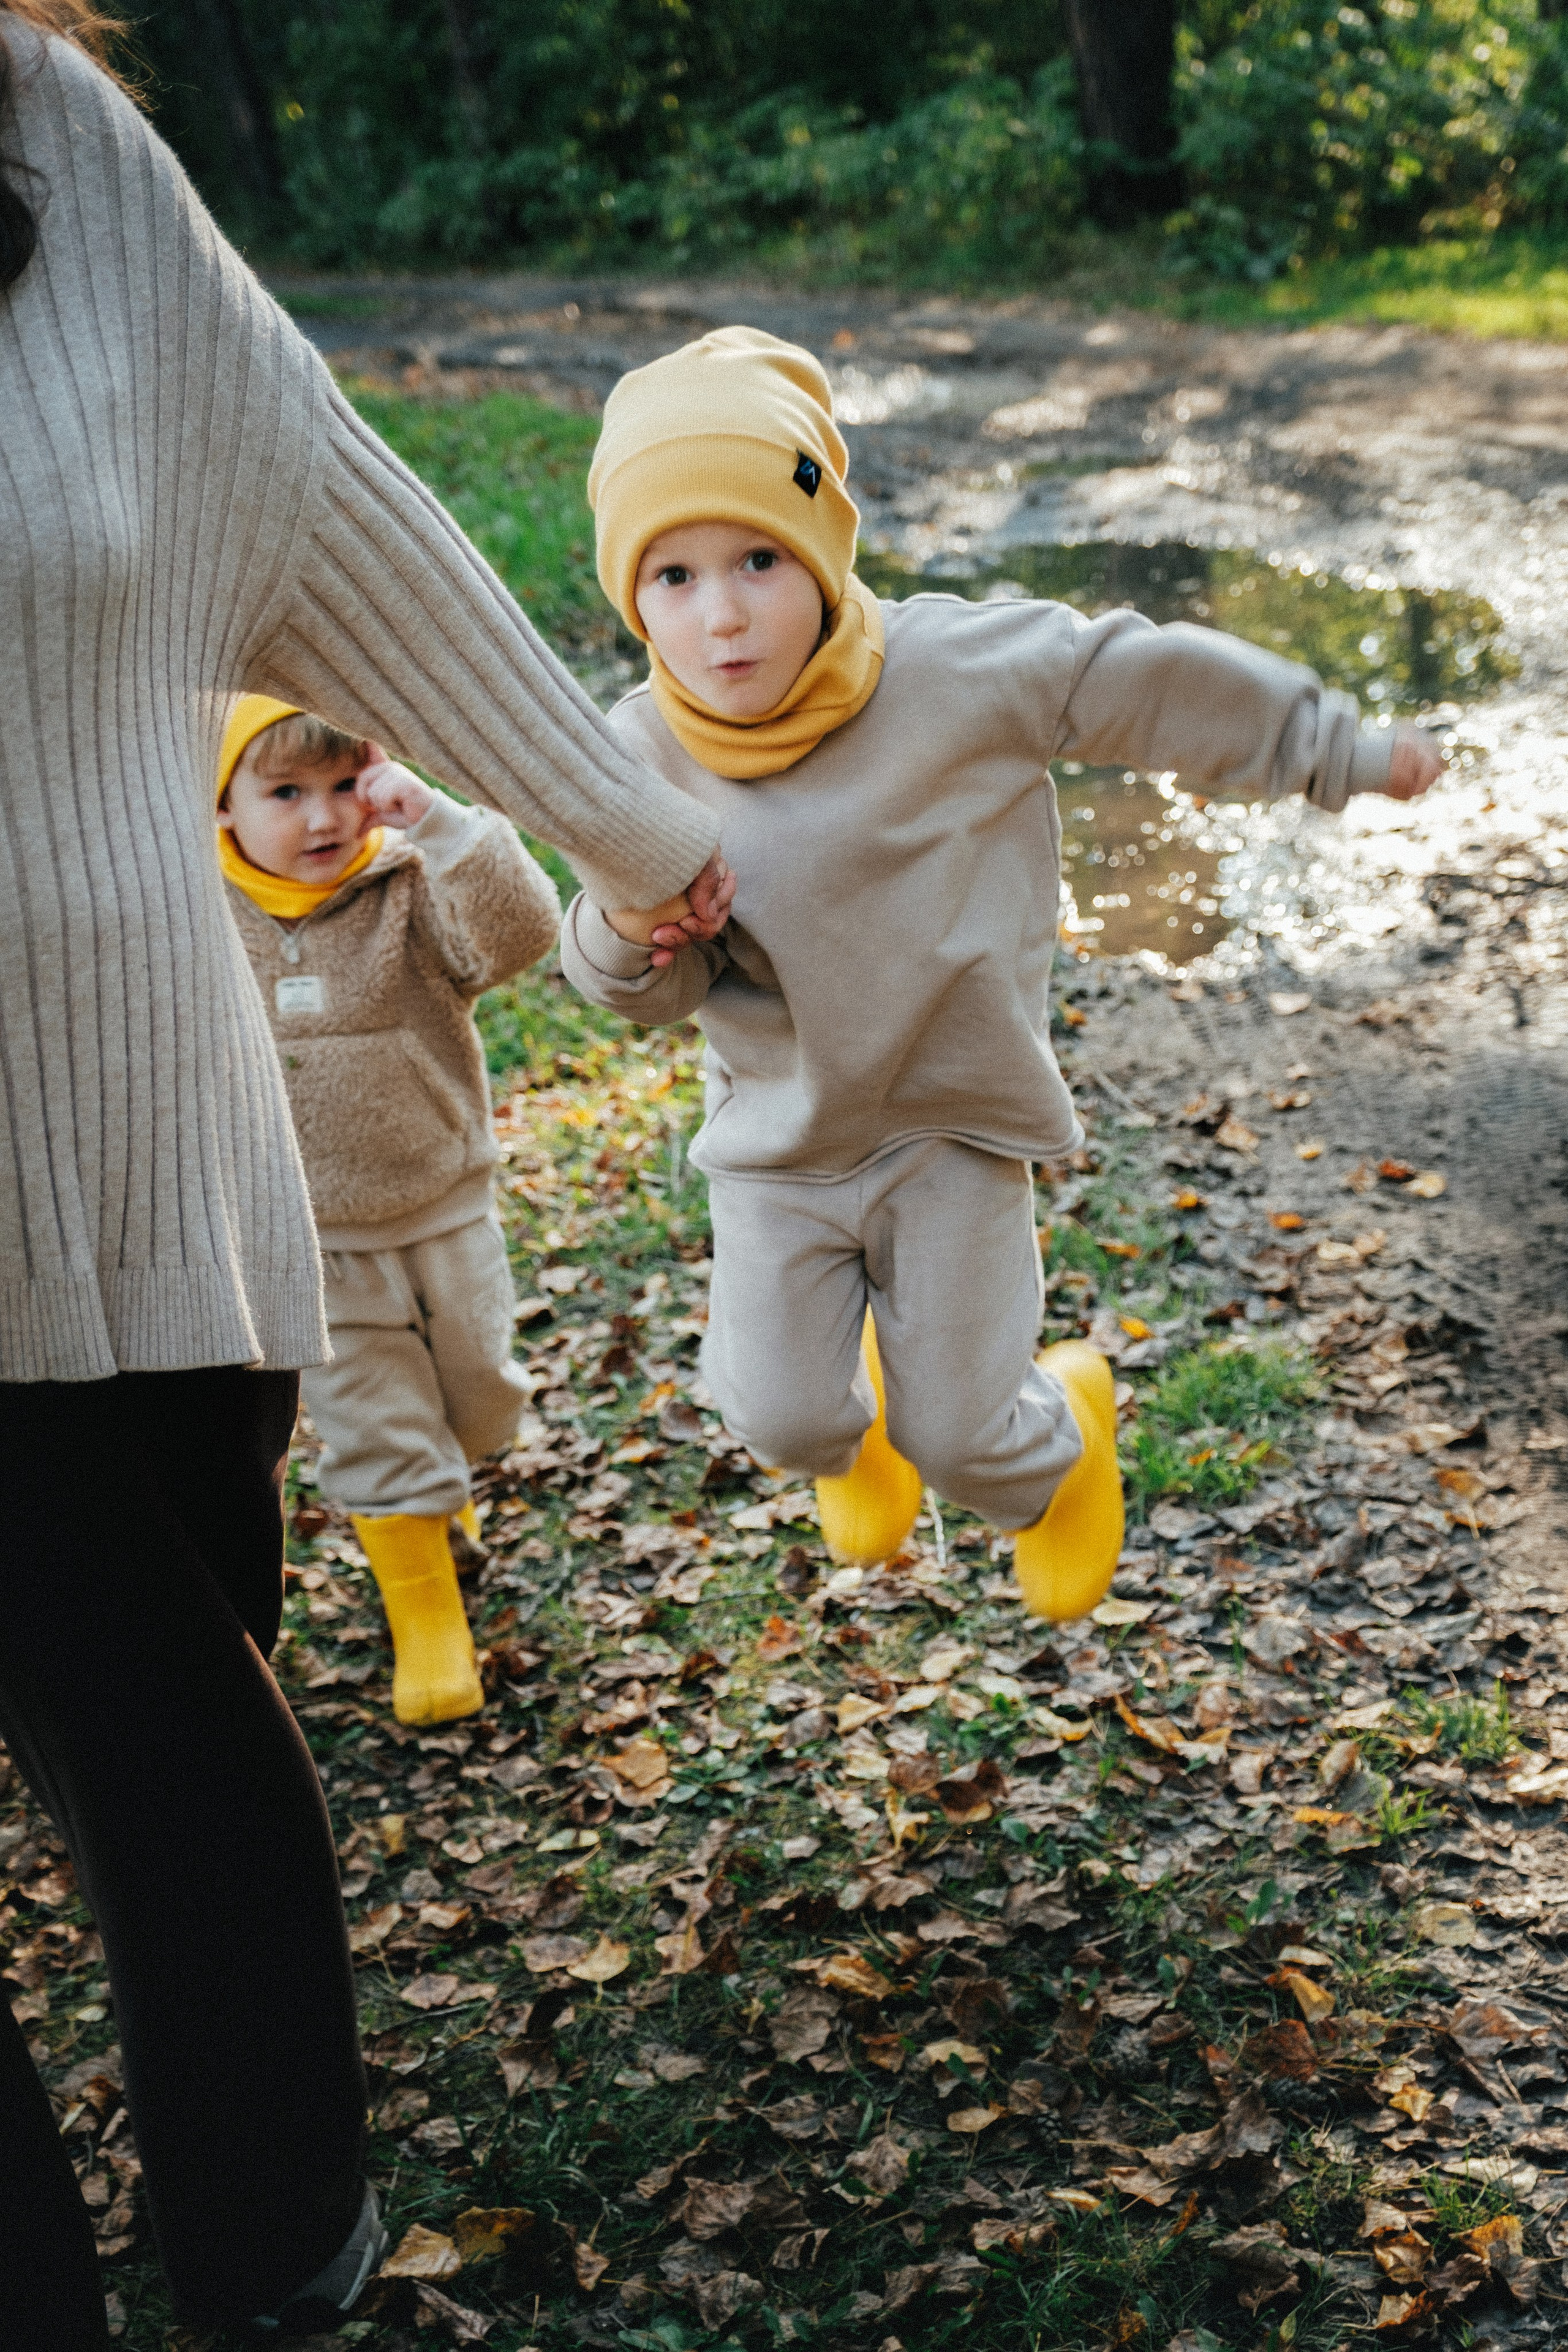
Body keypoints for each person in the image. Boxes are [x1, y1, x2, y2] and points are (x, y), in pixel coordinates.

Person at [0, 7, 729, 2343]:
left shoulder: (53, 145)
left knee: (176, 1761)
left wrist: (654, 844)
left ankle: (275, 2292)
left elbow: (338, 522)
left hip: (115, 1189)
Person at [560, 326, 1445, 1622]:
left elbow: (1138, 682)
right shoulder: (628, 755)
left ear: (821, 550)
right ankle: (850, 1440)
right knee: (780, 1414)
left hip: (950, 1126)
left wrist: (1331, 748)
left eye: (759, 558)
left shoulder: (953, 671)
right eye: (675, 575)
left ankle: (1063, 1444)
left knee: (966, 1437)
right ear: (629, 595)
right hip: (778, 1145)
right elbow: (632, 991)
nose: (725, 613)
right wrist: (636, 929)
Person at [218, 697, 558, 1727]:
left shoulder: (408, 885)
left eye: (344, 785)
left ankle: (444, 1493)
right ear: (223, 805)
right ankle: (426, 1615)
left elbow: (522, 934)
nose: (325, 818)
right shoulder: (199, 912)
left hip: (445, 1200)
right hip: (312, 1230)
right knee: (374, 1418)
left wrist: (443, 827)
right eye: (286, 793)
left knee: (482, 1394)